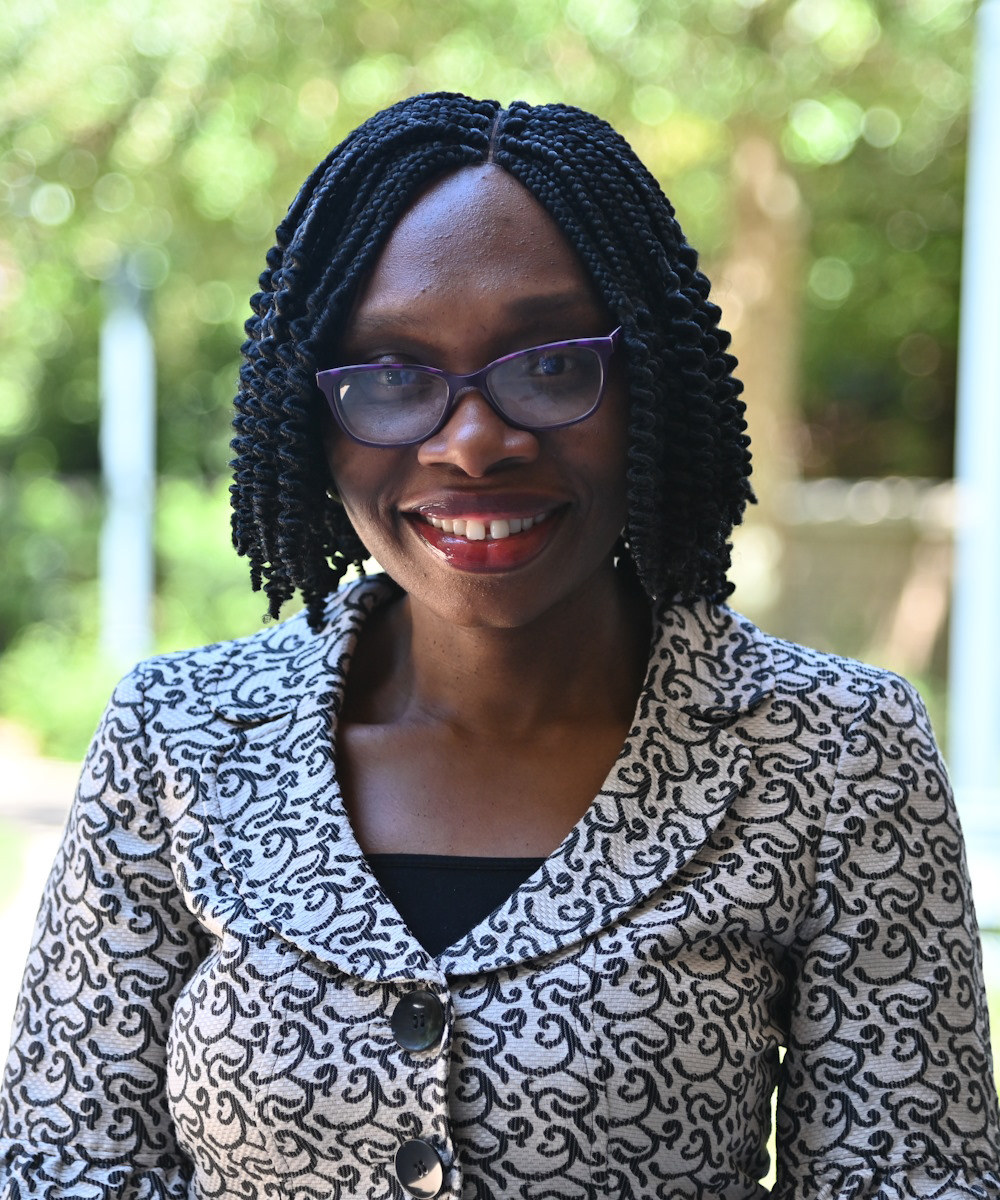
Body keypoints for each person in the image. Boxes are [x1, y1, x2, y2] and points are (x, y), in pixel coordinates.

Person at [1, 92, 997, 1200]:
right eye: (392, 377)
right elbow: (65, 1163)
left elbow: (908, 1178)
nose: (473, 444)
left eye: (553, 366)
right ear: (312, 415)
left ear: (650, 381)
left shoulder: (832, 753)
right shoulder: (181, 739)